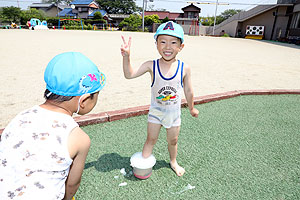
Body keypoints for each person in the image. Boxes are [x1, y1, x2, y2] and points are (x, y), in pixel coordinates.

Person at [0, 52, 106, 199]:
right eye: (97, 94)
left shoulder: (20, 117)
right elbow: (72, 184)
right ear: (84, 100)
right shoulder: (79, 138)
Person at [121, 21, 199, 176]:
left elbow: (189, 90)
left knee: (173, 141)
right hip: (156, 112)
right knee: (150, 139)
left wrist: (191, 107)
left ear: (180, 47)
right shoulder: (151, 65)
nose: (167, 47)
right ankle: (142, 164)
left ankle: (173, 161)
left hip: (174, 114)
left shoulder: (185, 68)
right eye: (162, 42)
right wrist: (126, 57)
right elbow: (129, 74)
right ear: (156, 44)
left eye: (173, 42)